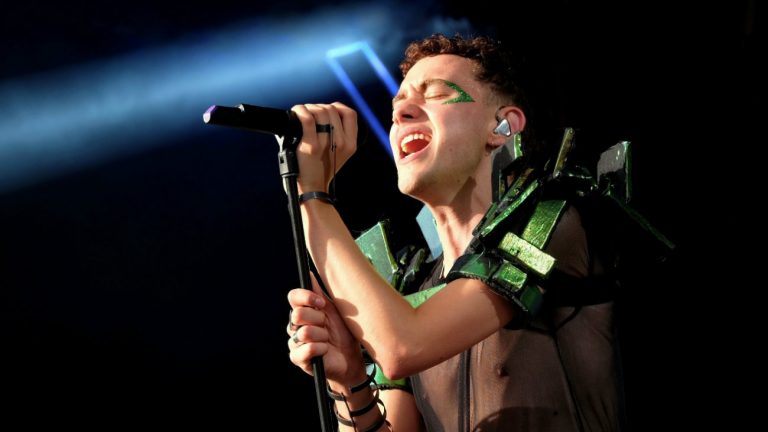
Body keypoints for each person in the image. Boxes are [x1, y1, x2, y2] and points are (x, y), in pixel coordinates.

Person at [286, 33, 625, 431]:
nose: (401, 113)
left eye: (435, 94)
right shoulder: (408, 289)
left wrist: (311, 195)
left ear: (502, 126)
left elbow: (401, 345)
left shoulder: (555, 222)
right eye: (397, 107)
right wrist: (351, 382)